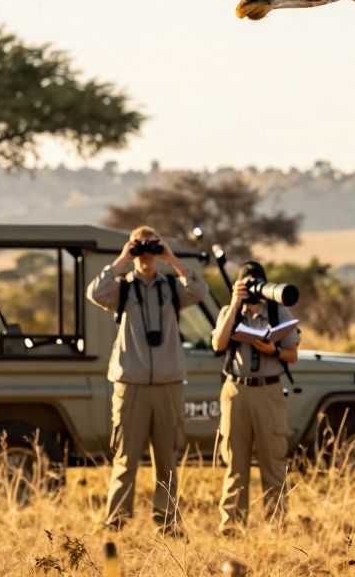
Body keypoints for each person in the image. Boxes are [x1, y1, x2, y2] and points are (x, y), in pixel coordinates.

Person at [86, 226, 209, 535]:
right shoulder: (122, 289)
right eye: (140, 248)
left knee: (167, 458)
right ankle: (116, 522)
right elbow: (95, 293)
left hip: (168, 383)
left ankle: (167, 522)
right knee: (125, 458)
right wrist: (122, 260)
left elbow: (199, 291)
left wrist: (171, 259)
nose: (146, 255)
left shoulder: (172, 288)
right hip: (131, 384)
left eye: (150, 248)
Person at [212, 261, 301, 535]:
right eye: (247, 283)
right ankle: (232, 526)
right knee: (235, 463)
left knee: (273, 461)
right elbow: (218, 344)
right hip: (236, 392)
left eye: (256, 283)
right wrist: (234, 304)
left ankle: (277, 526)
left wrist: (273, 350)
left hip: (268, 391)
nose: (252, 289)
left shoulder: (277, 311)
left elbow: (293, 355)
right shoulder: (229, 311)